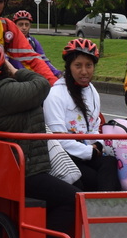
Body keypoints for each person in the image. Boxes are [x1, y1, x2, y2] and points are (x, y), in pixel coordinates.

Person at [0, 40, 77, 238]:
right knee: (73, 199)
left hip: (5, 167)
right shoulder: (2, 93)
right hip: (25, 170)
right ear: (1, 66)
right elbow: (41, 84)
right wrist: (15, 70)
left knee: (63, 192)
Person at [43, 39, 120, 191]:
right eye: (78, 65)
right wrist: (89, 151)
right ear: (69, 67)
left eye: (89, 65)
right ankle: (102, 209)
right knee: (93, 179)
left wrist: (98, 144)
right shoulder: (56, 94)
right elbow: (58, 138)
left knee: (110, 163)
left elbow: (94, 126)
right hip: (65, 156)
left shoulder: (92, 92)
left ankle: (107, 209)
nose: (84, 71)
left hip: (88, 152)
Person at [12, 10, 62, 78]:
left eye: (27, 24)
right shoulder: (9, 41)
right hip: (14, 77)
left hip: (31, 77)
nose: (24, 27)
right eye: (21, 24)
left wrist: (57, 73)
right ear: (14, 25)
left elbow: (43, 60)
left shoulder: (33, 42)